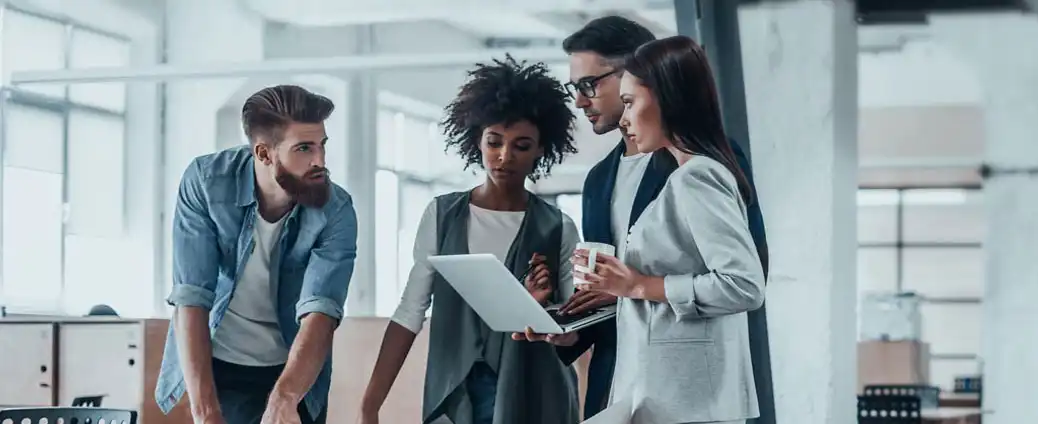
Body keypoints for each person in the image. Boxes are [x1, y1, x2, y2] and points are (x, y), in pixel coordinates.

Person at [526, 35, 766, 424]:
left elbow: (745, 284)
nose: (624, 119)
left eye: (629, 102)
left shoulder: (698, 176)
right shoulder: (665, 180)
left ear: (666, 98)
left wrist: (636, 285)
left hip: (688, 400)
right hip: (648, 391)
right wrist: (577, 315)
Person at [356, 56, 582, 424]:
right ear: (477, 138)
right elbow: (410, 311)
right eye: (494, 142)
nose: (504, 156)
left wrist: (542, 312)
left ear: (542, 149)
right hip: (454, 395)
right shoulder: (442, 216)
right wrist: (370, 404)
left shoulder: (558, 227)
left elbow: (574, 332)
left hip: (536, 396)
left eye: (522, 146)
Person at [154, 85, 356, 424]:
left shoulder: (336, 208)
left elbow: (321, 310)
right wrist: (205, 413)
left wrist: (285, 399)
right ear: (264, 154)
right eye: (304, 148)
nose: (320, 161)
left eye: (322, 146)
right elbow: (192, 296)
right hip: (220, 365)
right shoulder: (206, 182)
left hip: (293, 368)